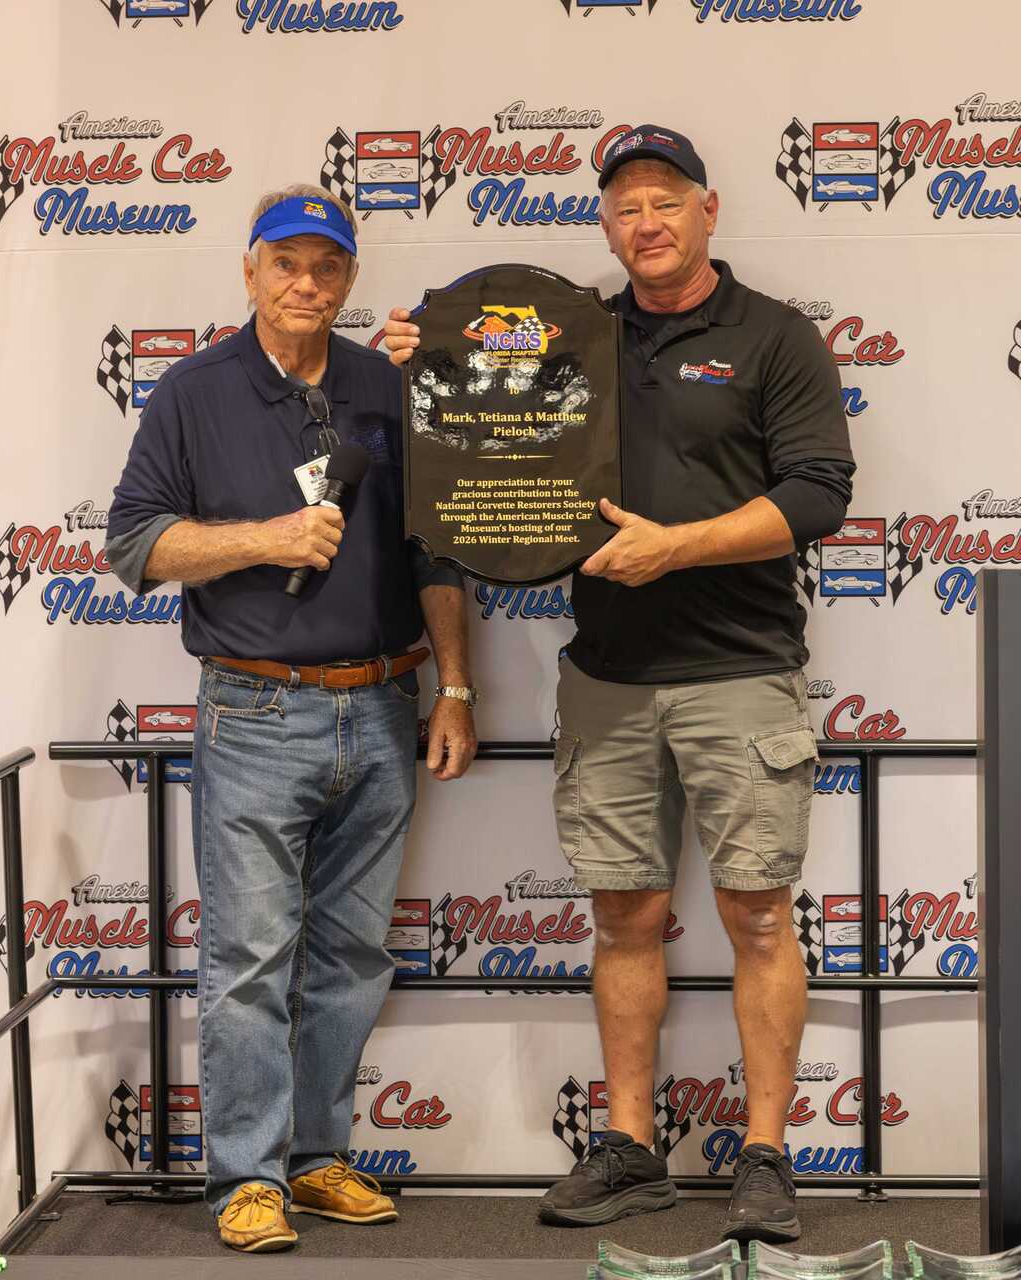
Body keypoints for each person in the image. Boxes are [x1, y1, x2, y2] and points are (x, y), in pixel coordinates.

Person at [383, 127, 855, 1243]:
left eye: (665, 200)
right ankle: (632, 1148)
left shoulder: (775, 335)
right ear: (605, 224)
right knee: (624, 917)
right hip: (605, 676)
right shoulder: (575, 337)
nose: (646, 222)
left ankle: (766, 1155)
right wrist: (425, 365)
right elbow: (482, 434)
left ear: (708, 210)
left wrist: (675, 547)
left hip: (741, 671)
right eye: (626, 206)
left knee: (757, 915)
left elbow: (819, 494)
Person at [106, 184, 478, 1253]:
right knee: (250, 959)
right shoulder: (193, 391)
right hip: (255, 708)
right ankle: (246, 1176)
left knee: (351, 955)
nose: (305, 283)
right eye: (286, 263)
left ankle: (316, 1161)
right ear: (249, 270)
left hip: (384, 705)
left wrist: (454, 687)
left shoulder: (386, 384)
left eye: (326, 266)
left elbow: (436, 549)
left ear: (350, 277)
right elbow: (133, 546)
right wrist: (262, 538)